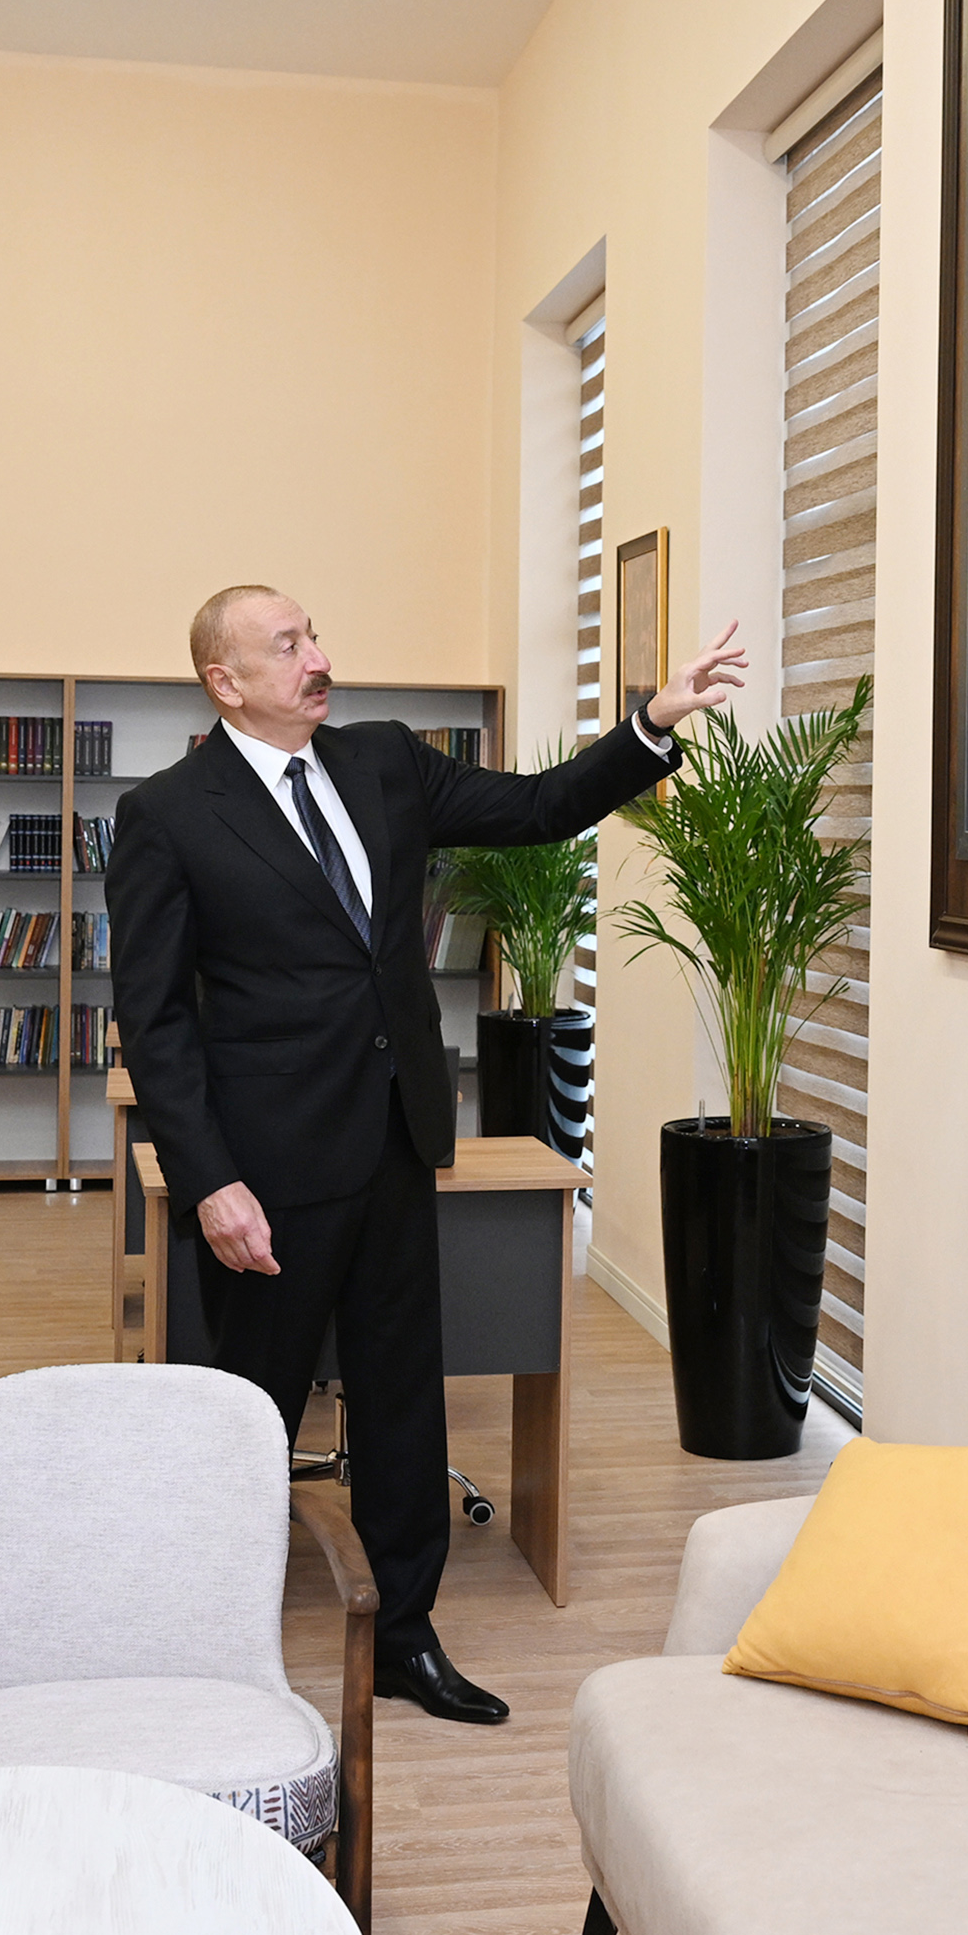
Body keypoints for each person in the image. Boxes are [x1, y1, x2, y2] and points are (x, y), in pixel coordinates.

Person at [110, 587, 745, 1725]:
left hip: (396, 1143)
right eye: (289, 645)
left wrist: (650, 724)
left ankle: (403, 1637)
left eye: (315, 635)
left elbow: (541, 807)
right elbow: (154, 1022)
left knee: (404, 1400)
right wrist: (210, 1181)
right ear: (225, 681)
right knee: (251, 1410)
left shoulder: (385, 761)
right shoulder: (166, 814)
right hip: (270, 1168)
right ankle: (207, 1644)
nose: (318, 658)